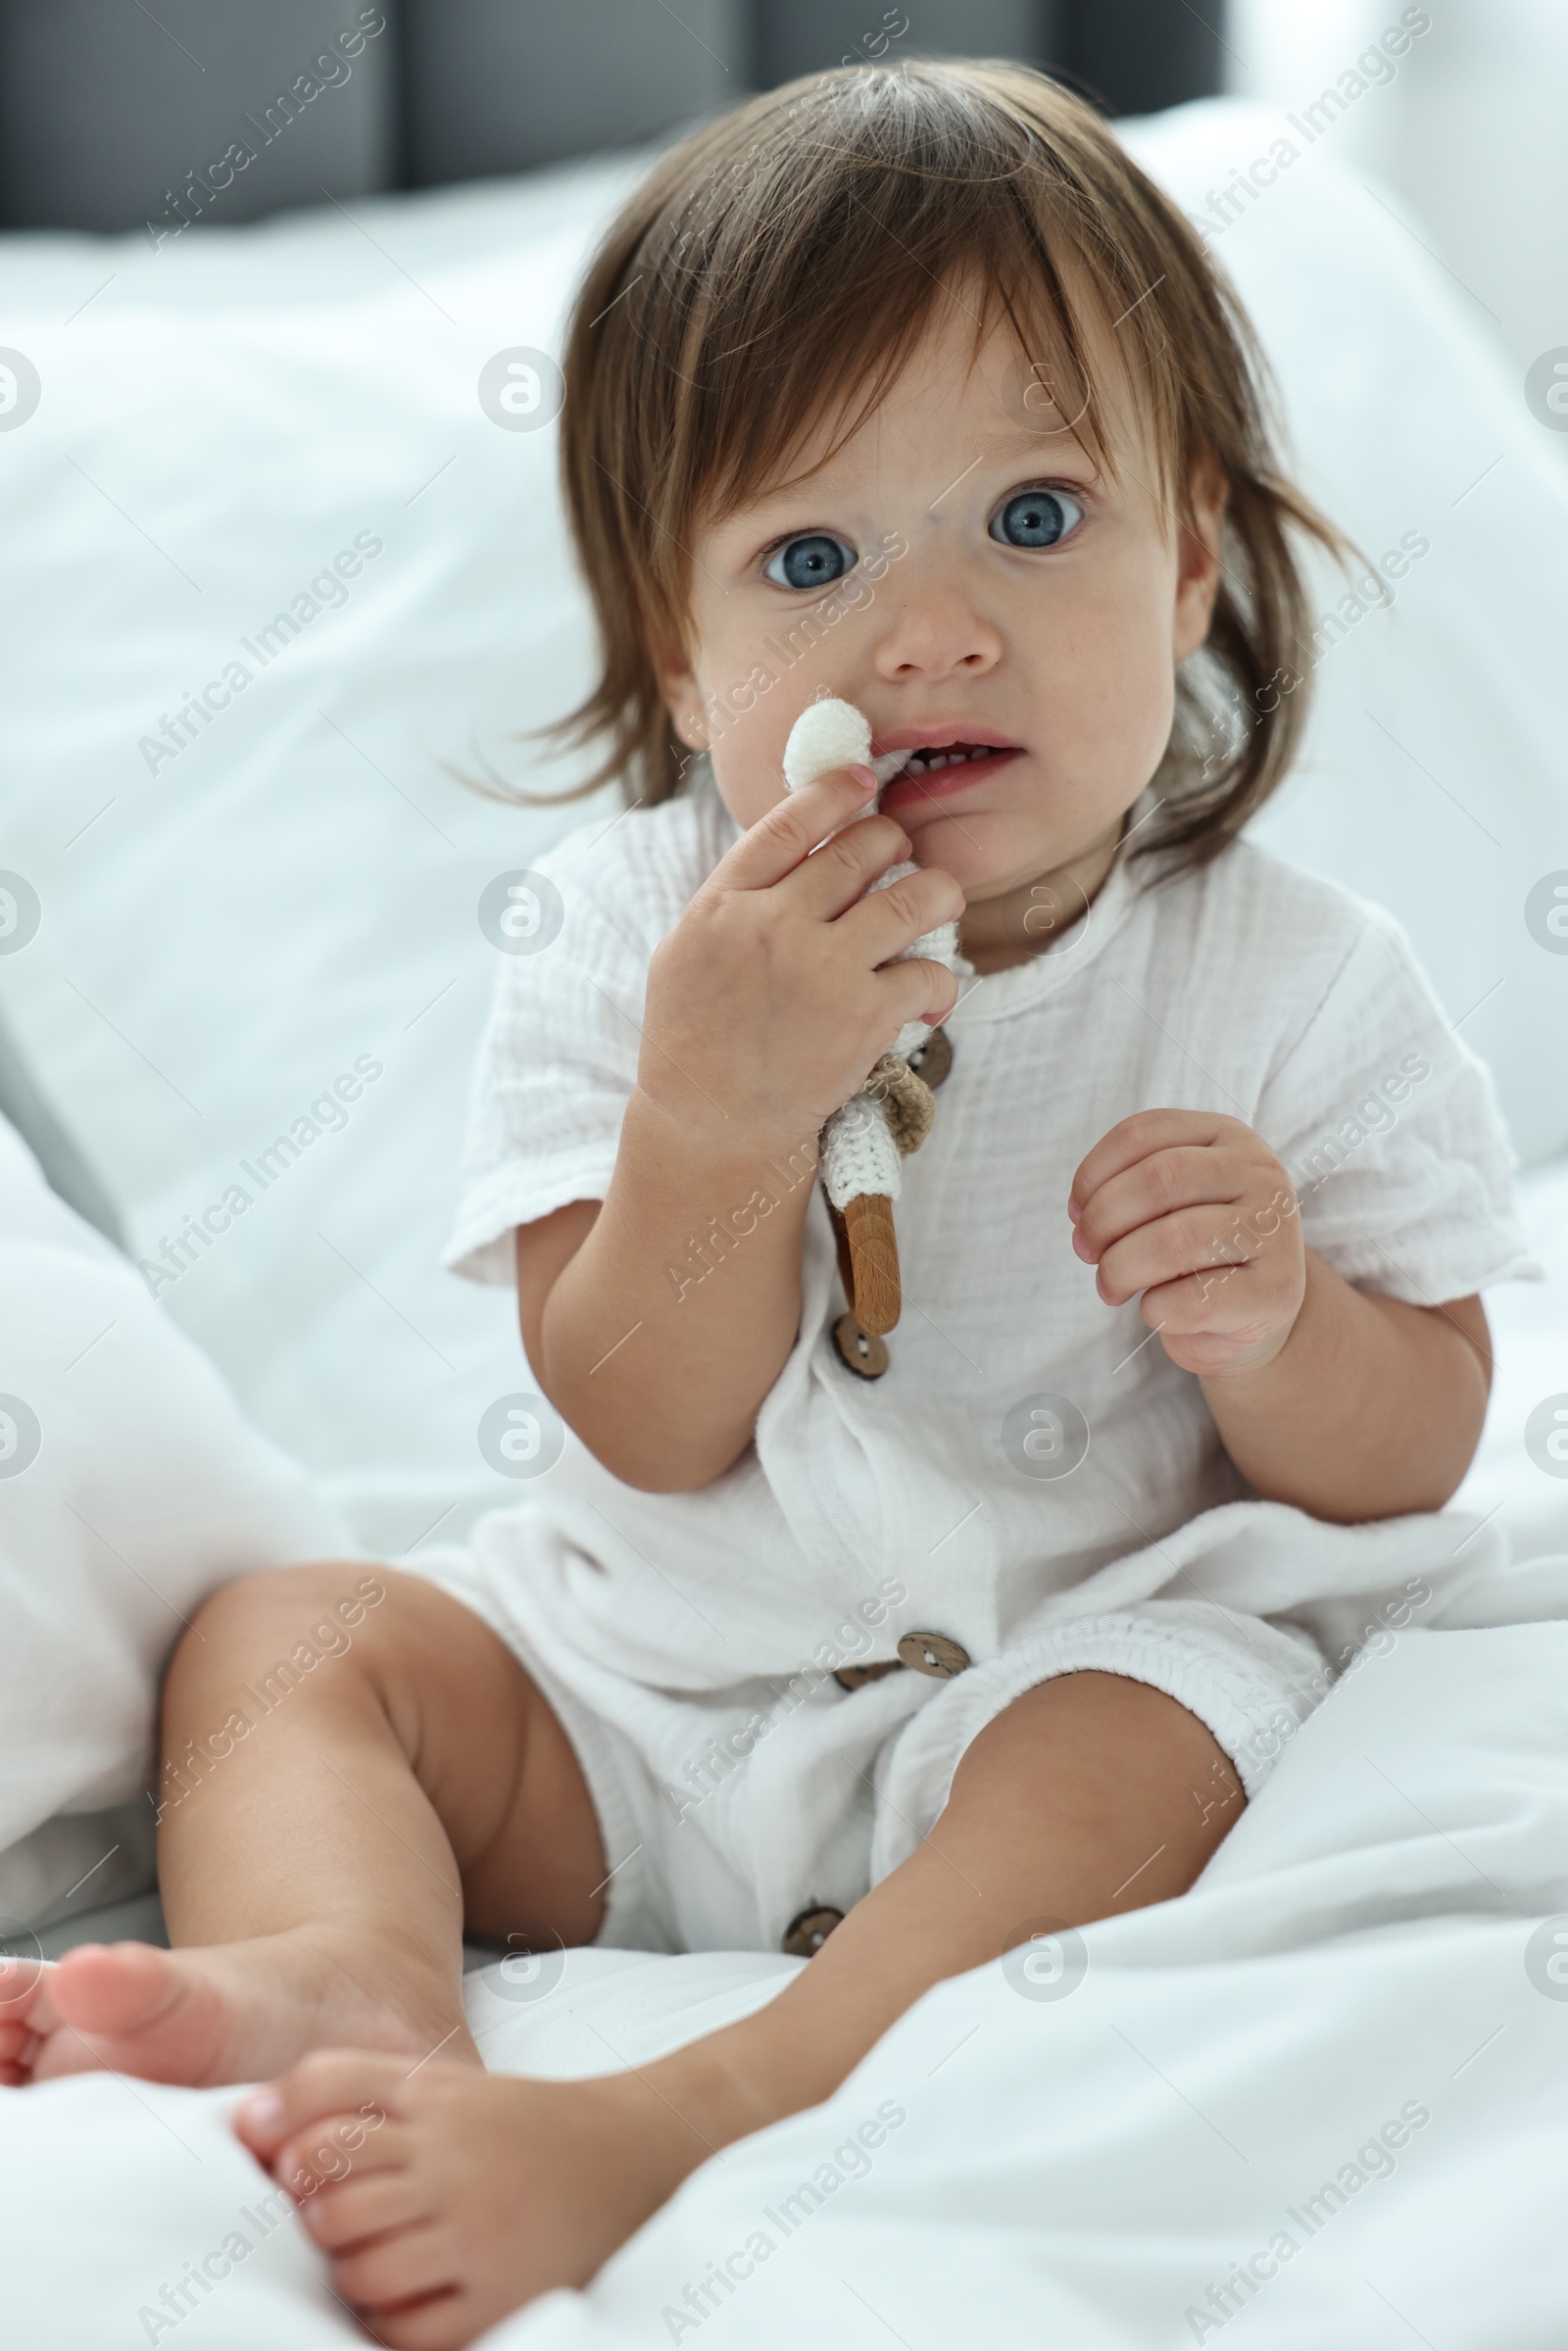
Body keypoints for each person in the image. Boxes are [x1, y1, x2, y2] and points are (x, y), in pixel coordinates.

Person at [0, 59, 1528, 2350]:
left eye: (1031, 516)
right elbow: (629, 1419)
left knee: (1161, 1721)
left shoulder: (1292, 980)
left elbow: (1414, 1449)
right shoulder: (620, 942)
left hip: (1048, 1673)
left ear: (1188, 559)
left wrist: (1287, 1325)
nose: (927, 631)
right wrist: (706, 1132)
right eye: (811, 560)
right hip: (642, 1693)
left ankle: (691, 2107)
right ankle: (354, 1979)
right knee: (288, 1638)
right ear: (681, 647)